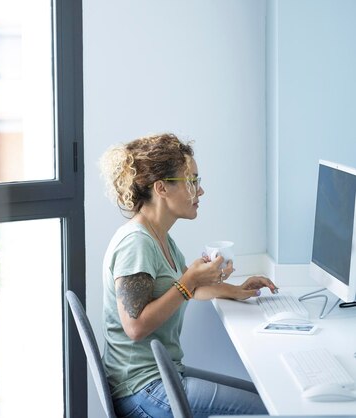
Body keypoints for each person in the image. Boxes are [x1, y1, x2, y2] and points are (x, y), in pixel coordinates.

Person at [98, 133, 276, 418]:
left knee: (267, 398)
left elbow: (188, 288)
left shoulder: (159, 237)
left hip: (160, 377)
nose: (200, 191)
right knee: (270, 410)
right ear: (161, 188)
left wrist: (236, 289)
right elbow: (135, 326)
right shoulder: (136, 243)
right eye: (191, 181)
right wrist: (189, 281)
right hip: (143, 391)